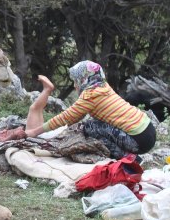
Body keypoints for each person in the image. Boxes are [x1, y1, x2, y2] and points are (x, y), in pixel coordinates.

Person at [23, 61, 157, 159]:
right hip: (147, 130)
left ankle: (129, 159)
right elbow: (75, 116)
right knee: (92, 124)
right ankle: (129, 156)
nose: (75, 85)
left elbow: (66, 117)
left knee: (90, 127)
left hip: (139, 139)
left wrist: (34, 132)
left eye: (76, 80)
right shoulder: (103, 86)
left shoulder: (91, 95)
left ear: (84, 78)